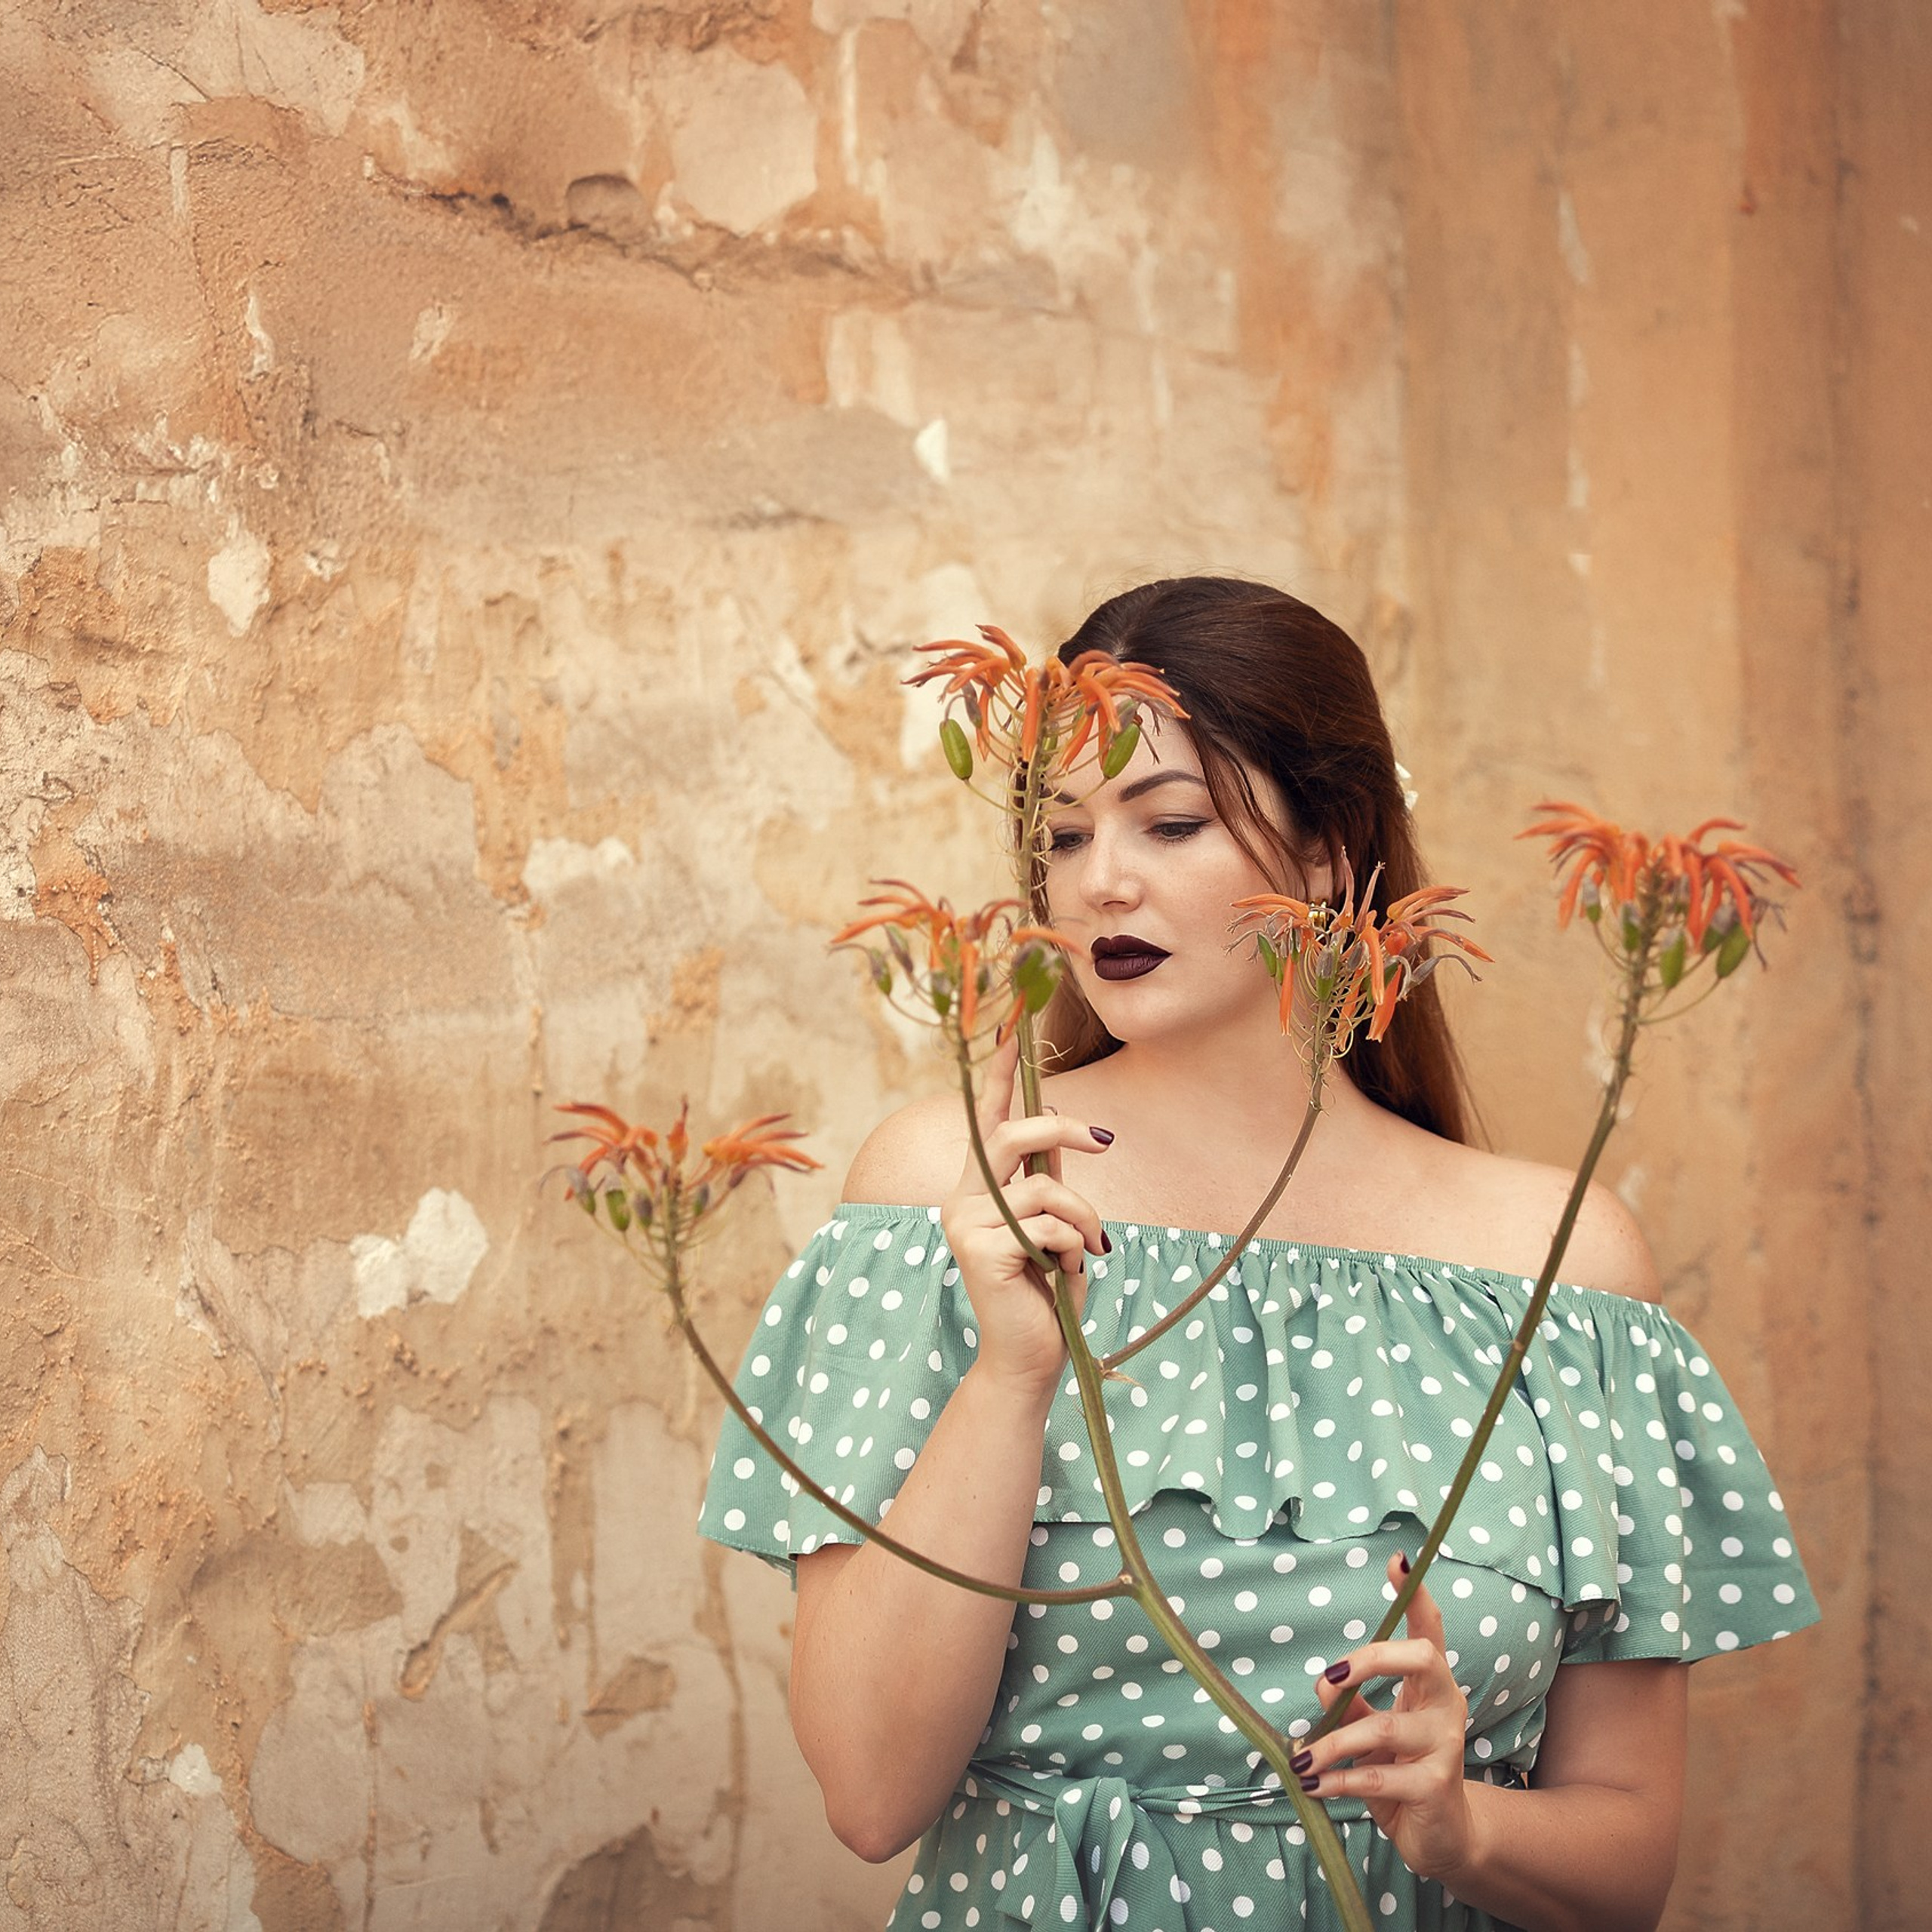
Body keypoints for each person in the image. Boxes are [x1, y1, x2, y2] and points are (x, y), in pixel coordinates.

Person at [698, 578, 1819, 1931]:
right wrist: (1011, 1374)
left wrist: (1462, 1827)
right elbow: (871, 1796)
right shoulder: (956, 1191)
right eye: (1063, 836)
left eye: (1171, 823)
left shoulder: (1562, 1267)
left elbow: (1628, 1864)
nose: (1102, 882)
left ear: (1332, 848)